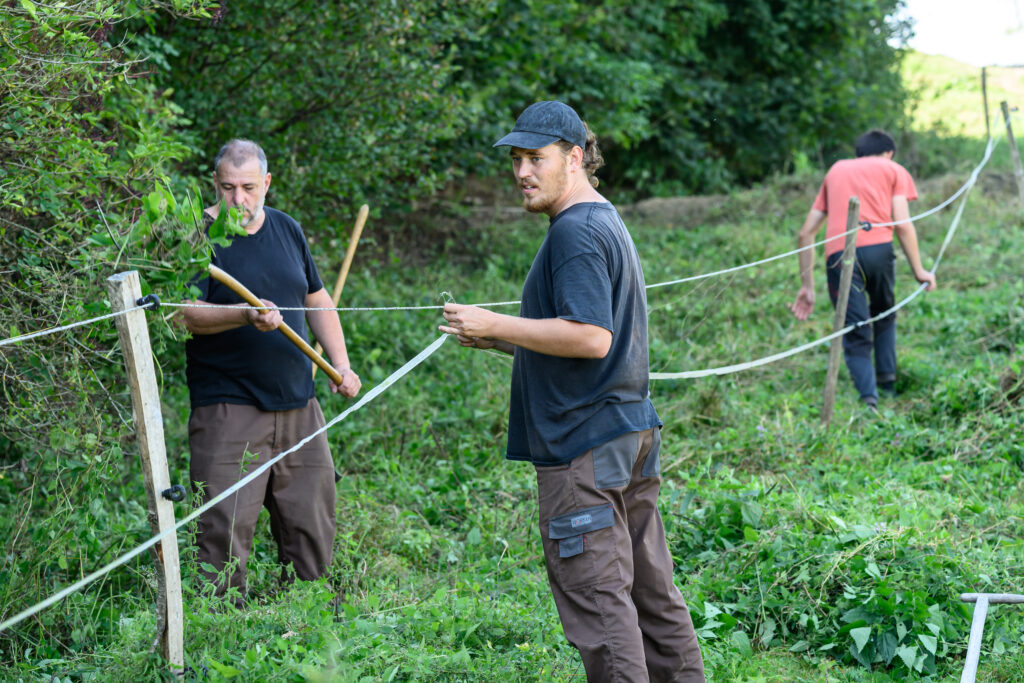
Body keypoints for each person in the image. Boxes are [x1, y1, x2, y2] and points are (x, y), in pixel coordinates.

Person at [439, 101, 705, 682]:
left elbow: (590, 338)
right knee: (651, 592)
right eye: (516, 160)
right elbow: (587, 334)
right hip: (625, 431)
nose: (522, 172)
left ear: (575, 157)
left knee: (600, 602)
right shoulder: (602, 218)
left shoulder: (575, 232)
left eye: (537, 158)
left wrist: (496, 323)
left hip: (584, 444)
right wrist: (506, 343)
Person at [181, 139, 361, 603]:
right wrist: (243, 314)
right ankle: (221, 635)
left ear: (266, 183)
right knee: (223, 533)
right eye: (226, 188)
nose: (237, 200)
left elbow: (317, 298)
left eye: (247, 187)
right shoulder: (198, 234)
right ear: (214, 184)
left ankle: (307, 626)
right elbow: (185, 314)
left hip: (300, 404)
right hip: (229, 407)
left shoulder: (287, 229)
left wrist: (340, 365)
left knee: (311, 527)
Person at [790, 129, 937, 408]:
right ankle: (888, 383)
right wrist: (919, 270)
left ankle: (869, 400)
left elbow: (805, 234)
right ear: (889, 152)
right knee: (885, 312)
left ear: (858, 154)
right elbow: (903, 224)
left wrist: (807, 287)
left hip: (838, 252)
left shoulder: (836, 170)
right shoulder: (892, 169)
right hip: (879, 250)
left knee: (854, 326)